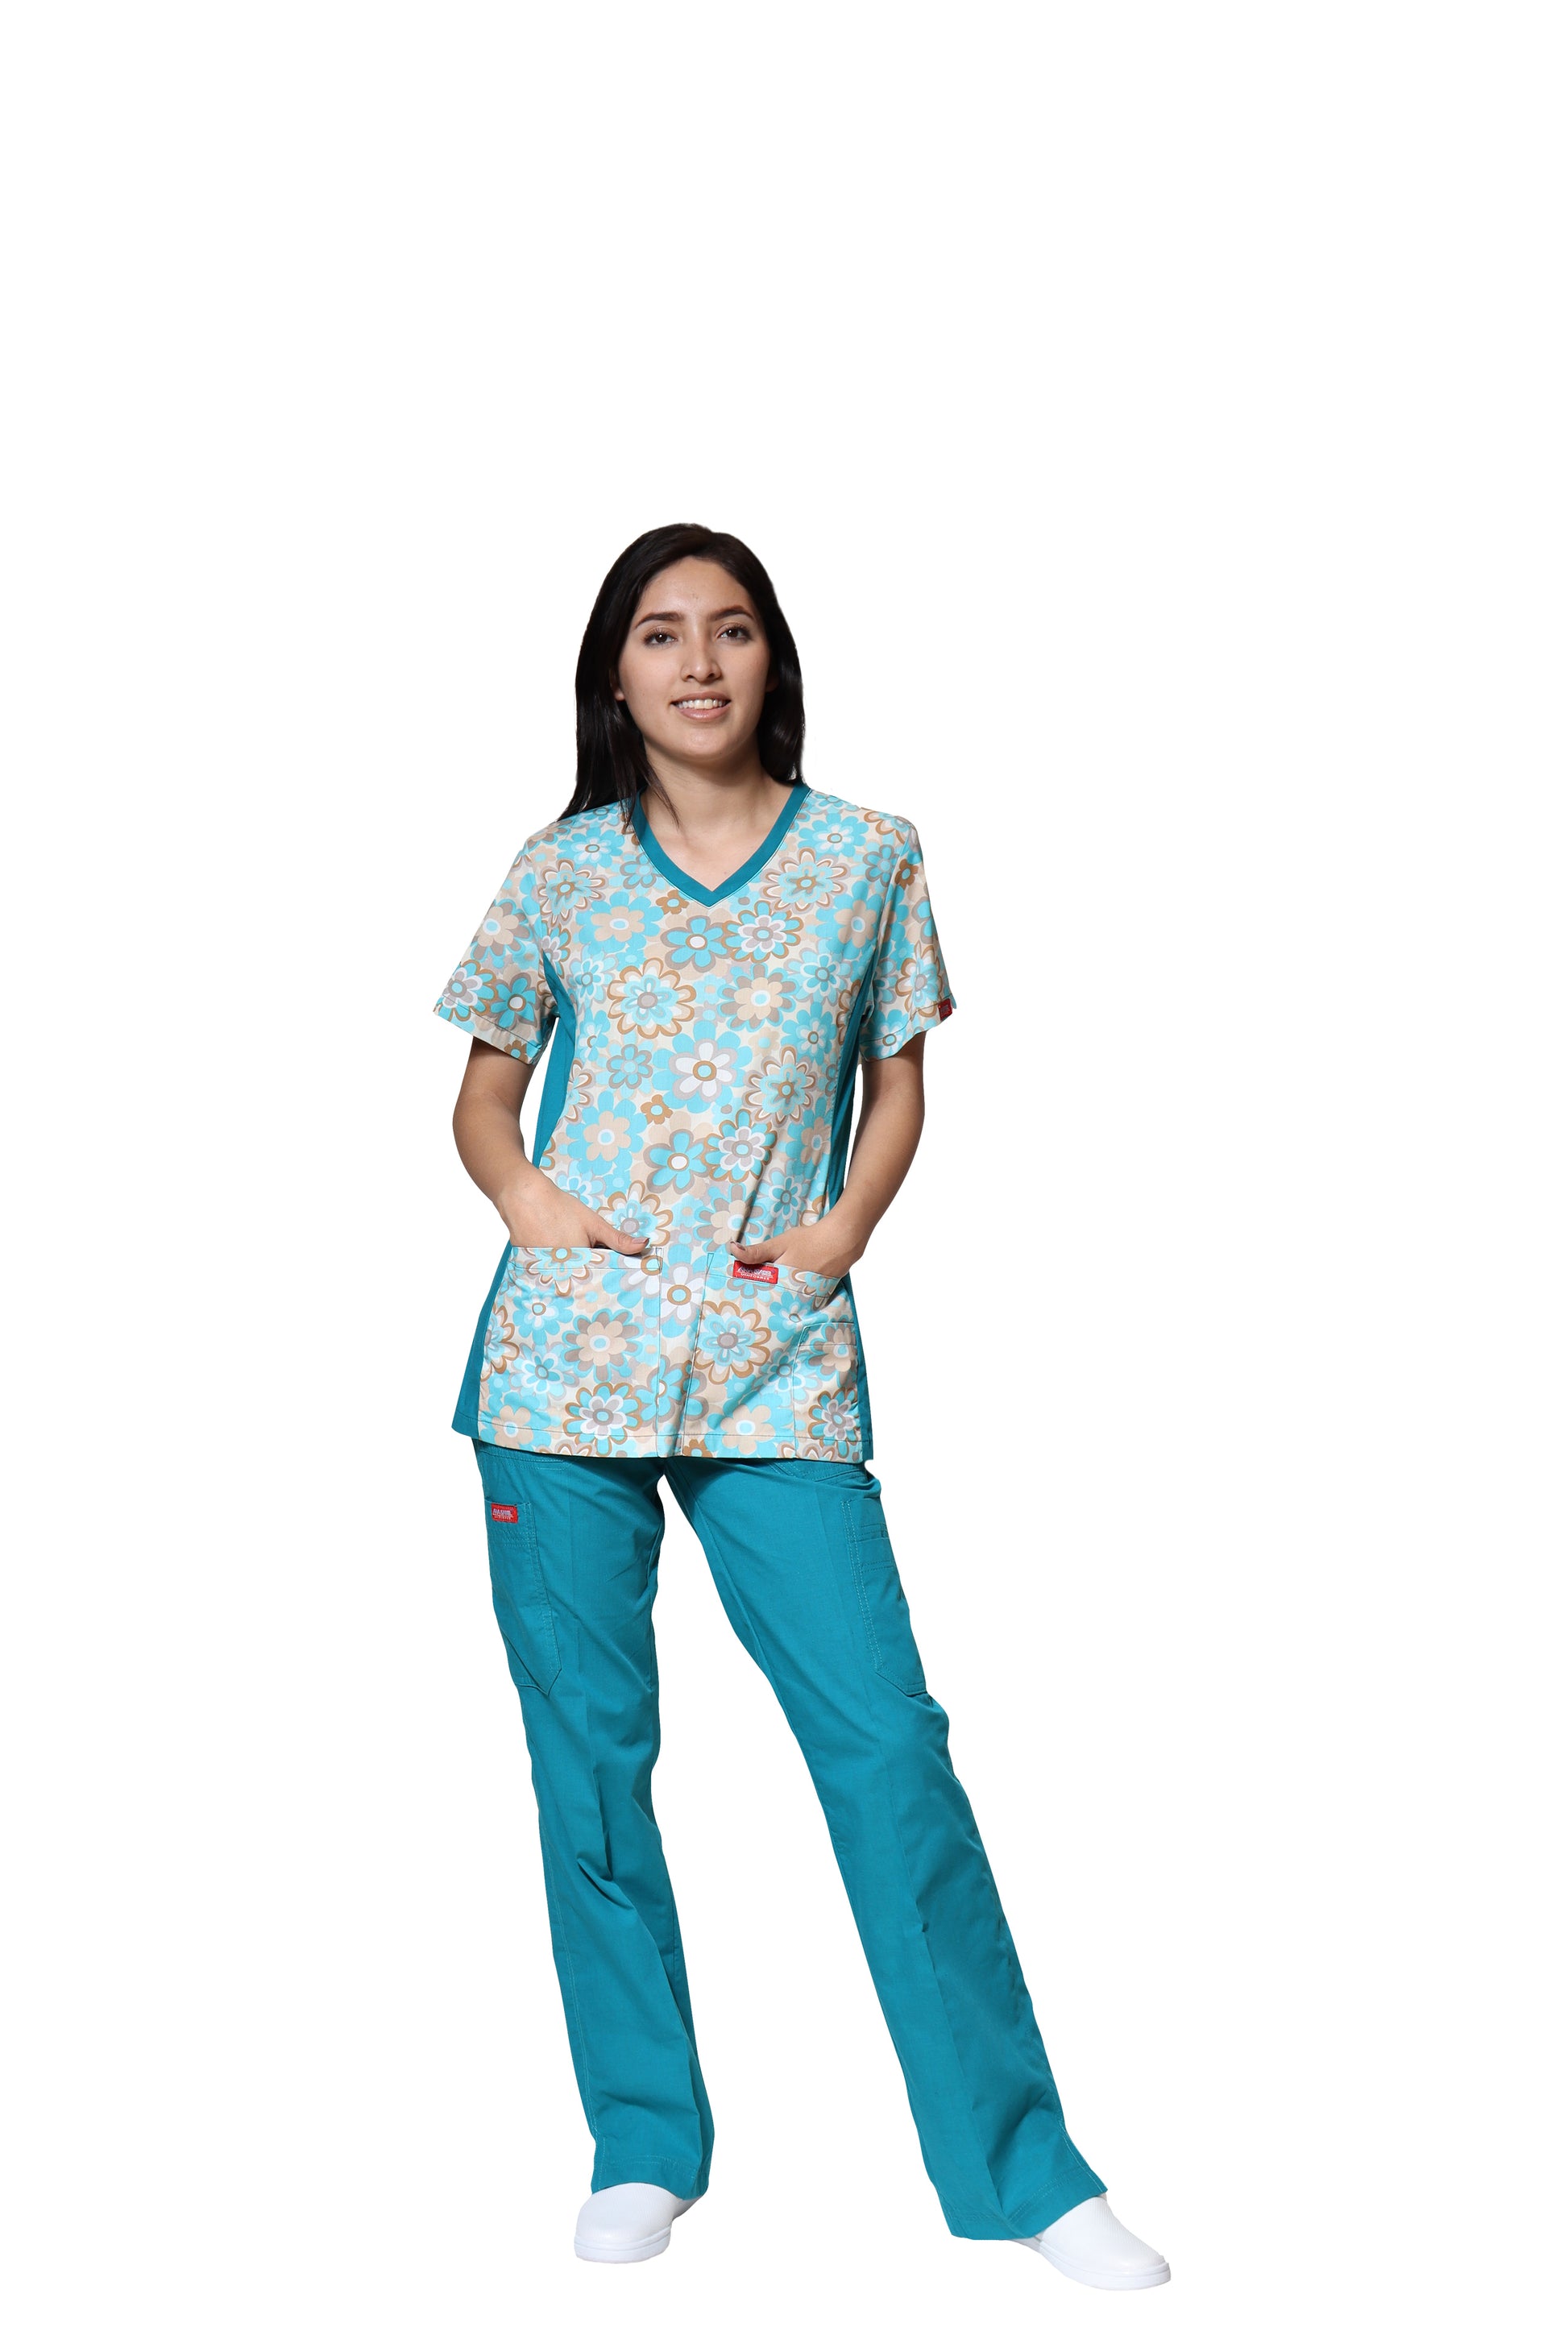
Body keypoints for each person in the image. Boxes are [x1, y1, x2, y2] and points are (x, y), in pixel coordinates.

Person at [433, 523, 1169, 2288]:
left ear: (773, 656)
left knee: (887, 1746)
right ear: (613, 675)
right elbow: (483, 1093)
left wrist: (844, 1230)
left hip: (777, 1362)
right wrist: (526, 1201)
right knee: (590, 1762)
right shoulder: (559, 869)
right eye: (659, 634)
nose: (697, 662)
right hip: (563, 1369)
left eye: (730, 629)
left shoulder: (867, 856)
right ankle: (643, 2140)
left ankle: (1022, 2169)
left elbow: (895, 1081)